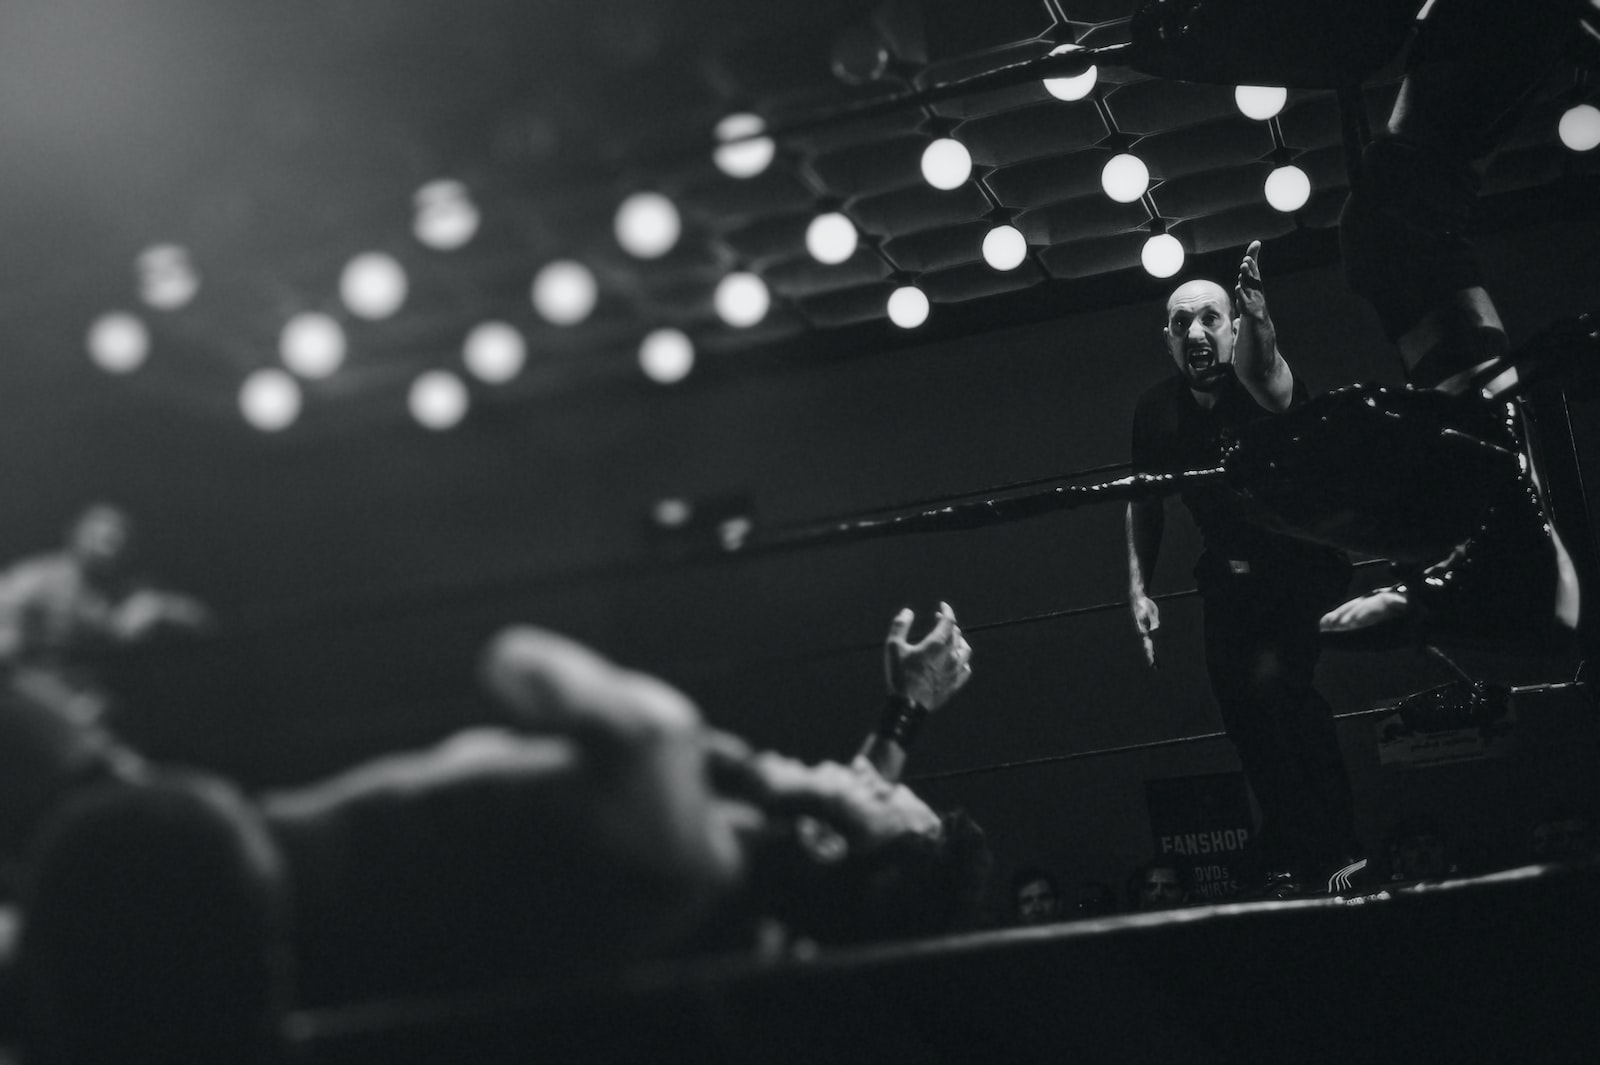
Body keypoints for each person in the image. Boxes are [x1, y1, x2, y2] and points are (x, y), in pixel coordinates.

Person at [15, 602, 981, 1060]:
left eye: (878, 799)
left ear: (831, 839)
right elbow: (833, 851)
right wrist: (901, 722)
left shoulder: (663, 785)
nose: (856, 783)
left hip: (206, 869)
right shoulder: (700, 932)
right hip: (255, 950)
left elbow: (520, 660)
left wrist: (745, 766)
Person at [1326, 0, 1586, 647]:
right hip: (1415, 204)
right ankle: (1514, 547)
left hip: (1411, 206)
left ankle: (1508, 548)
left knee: (1393, 234)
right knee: (1396, 235)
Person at [1125, 241, 1363, 896]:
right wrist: (1138, 587)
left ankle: (1338, 843)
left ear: (1229, 328)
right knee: (1242, 712)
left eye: (1210, 318)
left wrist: (1259, 320)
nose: (1195, 332)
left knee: (1278, 688)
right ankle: (1294, 838)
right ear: (1166, 338)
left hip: (1302, 563)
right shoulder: (1155, 410)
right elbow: (1143, 502)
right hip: (1228, 575)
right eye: (1181, 323)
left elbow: (1274, 379)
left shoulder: (1254, 379)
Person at [0, 504, 212, 730]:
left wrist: (163, 608)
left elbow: (204, 622)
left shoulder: (124, 590)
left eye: (120, 540)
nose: (111, 546)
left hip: (102, 703)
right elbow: (7, 661)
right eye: (103, 537)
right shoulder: (31, 581)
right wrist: (62, 706)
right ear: (76, 534)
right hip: (37, 708)